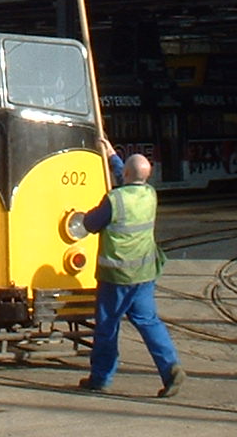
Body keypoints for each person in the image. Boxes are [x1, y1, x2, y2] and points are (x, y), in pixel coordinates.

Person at [77, 138, 187, 397]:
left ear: (126, 174)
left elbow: (91, 224)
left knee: (107, 326)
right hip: (144, 275)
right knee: (149, 322)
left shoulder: (114, 200)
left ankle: (101, 377)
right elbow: (129, 175)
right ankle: (171, 370)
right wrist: (112, 154)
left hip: (116, 276)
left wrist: (80, 214)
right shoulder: (150, 195)